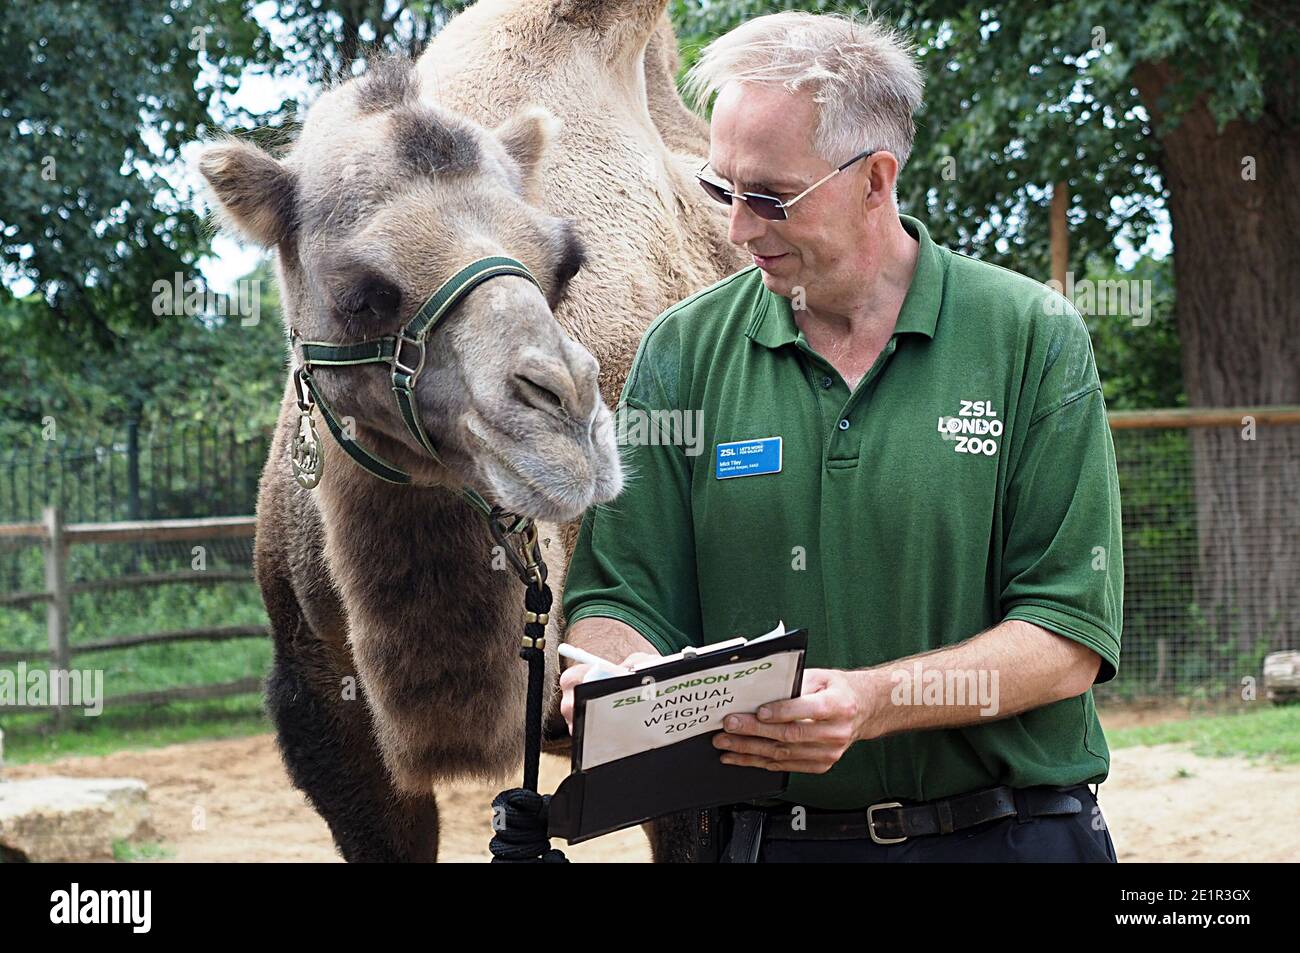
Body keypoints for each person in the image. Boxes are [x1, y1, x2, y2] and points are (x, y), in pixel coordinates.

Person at [559, 11, 1123, 863]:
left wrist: (872, 702)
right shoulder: (681, 351)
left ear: (876, 179)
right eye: (722, 190)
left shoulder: (1030, 335)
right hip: (764, 842)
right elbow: (621, 594)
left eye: (771, 197)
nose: (739, 229)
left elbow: (1067, 635)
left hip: (1011, 834)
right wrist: (614, 675)